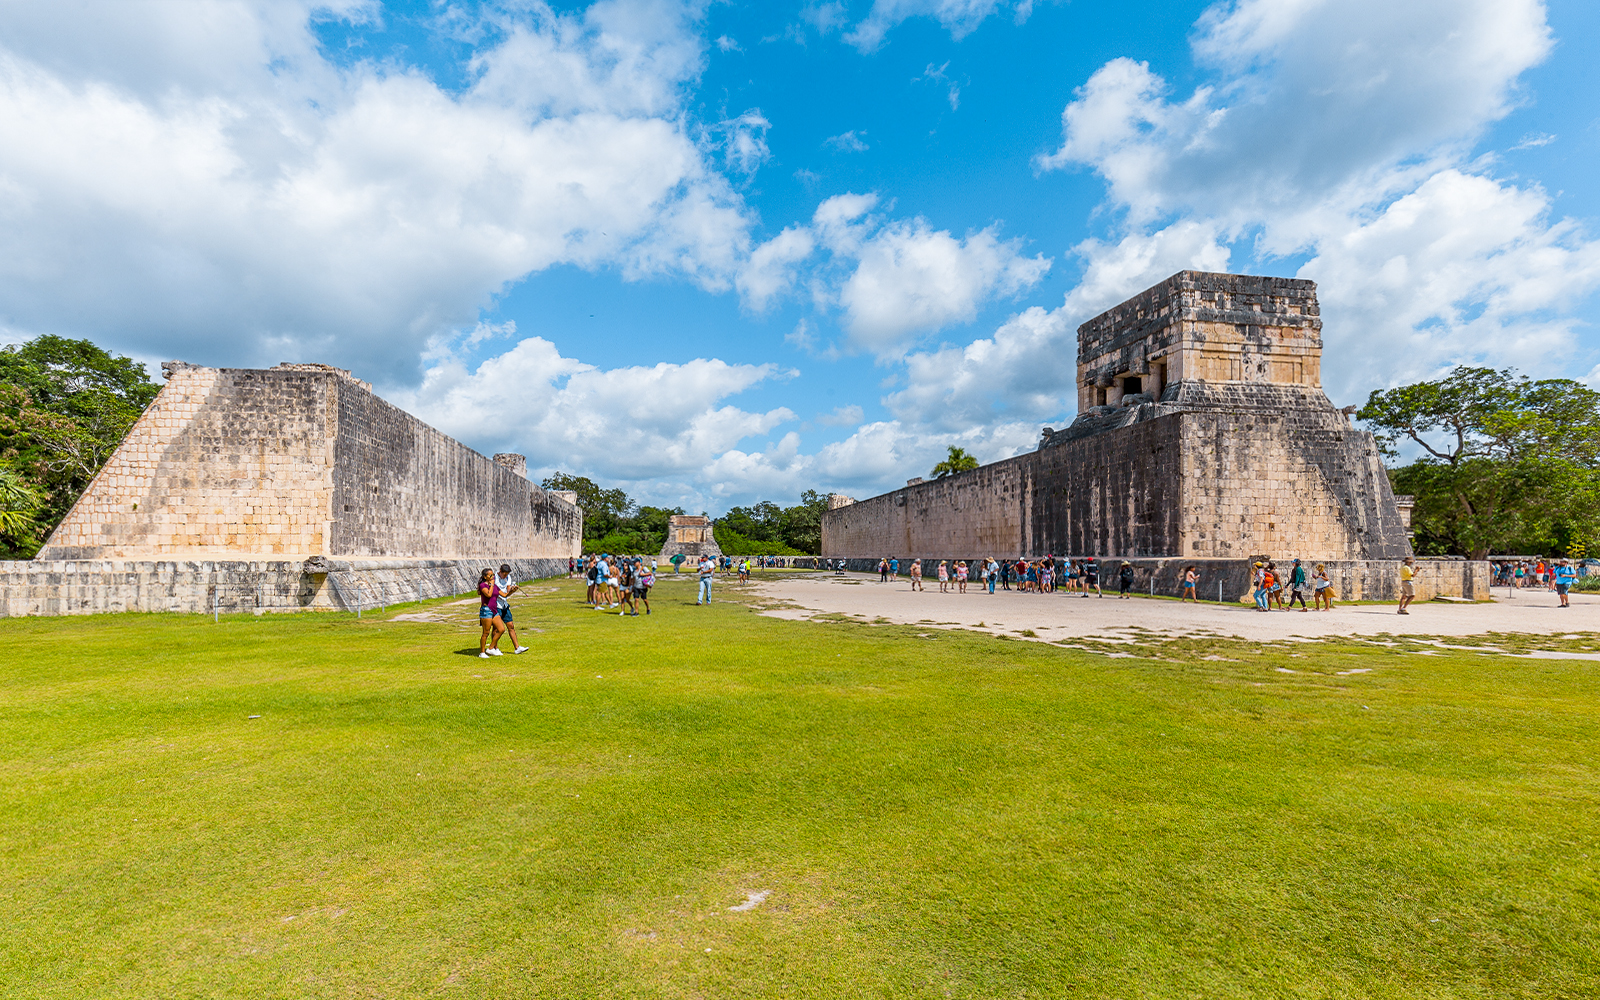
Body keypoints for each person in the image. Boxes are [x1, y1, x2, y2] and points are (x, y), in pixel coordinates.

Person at [494, 564, 531, 652]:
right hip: (496, 604)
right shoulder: (494, 579)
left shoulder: (508, 577)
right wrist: (509, 592)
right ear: (500, 571)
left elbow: (507, 592)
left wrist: (512, 590)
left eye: (507, 574)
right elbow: (501, 594)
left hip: (504, 604)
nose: (506, 576)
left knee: (511, 625)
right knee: (496, 628)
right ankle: (494, 648)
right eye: (504, 574)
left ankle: (517, 648)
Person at [477, 568, 506, 658]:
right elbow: (489, 594)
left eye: (493, 575)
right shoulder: (483, 586)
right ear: (485, 577)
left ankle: (490, 648)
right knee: (486, 632)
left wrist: (512, 590)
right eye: (490, 575)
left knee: (501, 629)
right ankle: (482, 652)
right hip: (486, 610)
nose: (492, 576)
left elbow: (504, 595)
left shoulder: (494, 586)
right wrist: (492, 585)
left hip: (494, 610)